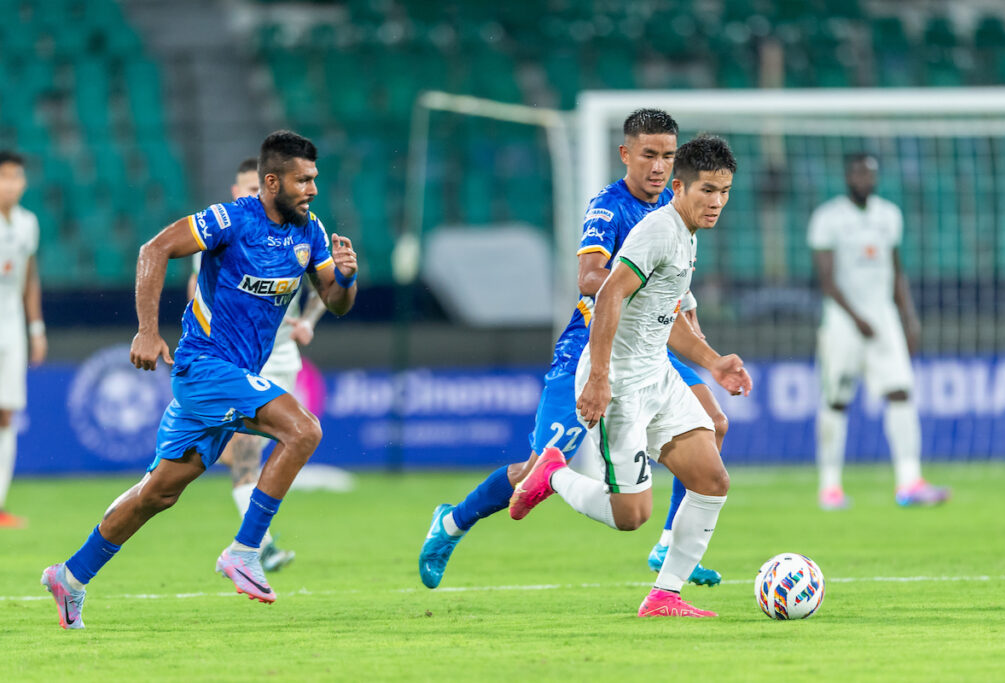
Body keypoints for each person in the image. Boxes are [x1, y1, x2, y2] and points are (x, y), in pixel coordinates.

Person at [40, 130, 358, 630]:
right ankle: (245, 551)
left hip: (229, 378)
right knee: (303, 430)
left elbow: (336, 302)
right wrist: (147, 329)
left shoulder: (311, 231)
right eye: (302, 180)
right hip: (205, 368)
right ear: (270, 181)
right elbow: (155, 248)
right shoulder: (231, 218)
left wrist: (346, 276)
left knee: (158, 493)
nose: (312, 189)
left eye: (314, 179)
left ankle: (71, 576)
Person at [418, 110, 729, 589]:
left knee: (714, 421)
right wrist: (634, 293)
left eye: (668, 156)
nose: (659, 167)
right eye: (649, 155)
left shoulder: (680, 206)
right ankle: (453, 522)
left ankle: (669, 542)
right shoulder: (610, 206)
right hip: (590, 348)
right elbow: (589, 279)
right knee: (535, 468)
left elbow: (678, 296)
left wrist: (703, 348)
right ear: (626, 154)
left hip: (649, 348)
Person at [510, 135, 750, 619]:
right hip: (620, 385)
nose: (717, 202)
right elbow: (609, 297)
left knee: (711, 479)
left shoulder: (685, 234)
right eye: (707, 190)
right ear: (679, 187)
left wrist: (713, 361)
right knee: (632, 517)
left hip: (657, 375)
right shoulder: (659, 231)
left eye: (724, 191)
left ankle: (666, 595)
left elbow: (663, 318)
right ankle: (553, 474)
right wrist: (599, 378)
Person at [186, 157, 326, 571]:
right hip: (239, 358)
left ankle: (251, 540)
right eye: (247, 189)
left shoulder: (298, 234)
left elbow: (327, 281)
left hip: (283, 354)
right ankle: (256, 547)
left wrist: (309, 321)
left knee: (252, 447)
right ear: (236, 192)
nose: (254, 196)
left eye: (258, 189)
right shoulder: (222, 236)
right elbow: (199, 294)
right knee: (248, 451)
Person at [809, 153, 949, 510]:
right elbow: (826, 280)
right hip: (843, 319)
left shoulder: (889, 215)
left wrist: (908, 317)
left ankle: (909, 481)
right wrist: (857, 318)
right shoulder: (829, 218)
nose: (863, 178)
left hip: (883, 317)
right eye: (857, 172)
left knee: (901, 391)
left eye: (869, 173)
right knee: (836, 399)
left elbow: (896, 270)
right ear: (847, 176)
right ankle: (830, 487)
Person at [0, 150, 46, 529]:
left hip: (12, 326)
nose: (12, 184)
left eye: (17, 176)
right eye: (5, 176)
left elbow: (30, 277)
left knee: (6, 413)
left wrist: (35, 328)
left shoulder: (28, 223)